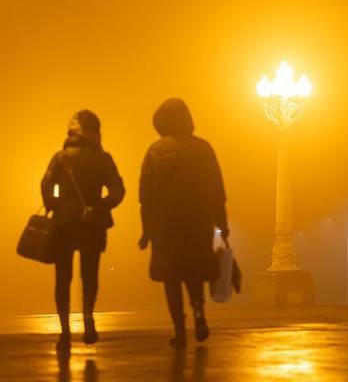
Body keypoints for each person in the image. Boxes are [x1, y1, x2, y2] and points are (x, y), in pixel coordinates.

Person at [138, 98, 229, 348]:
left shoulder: (155, 151)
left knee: (171, 278)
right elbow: (216, 190)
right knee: (195, 272)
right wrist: (222, 224)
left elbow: (145, 194)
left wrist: (146, 230)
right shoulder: (203, 148)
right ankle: (199, 310)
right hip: (198, 221)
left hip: (165, 224)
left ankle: (179, 329)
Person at [41, 109, 125, 350]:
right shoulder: (104, 159)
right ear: (94, 133)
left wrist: (55, 205)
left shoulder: (60, 158)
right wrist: (100, 206)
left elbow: (46, 185)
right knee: (90, 276)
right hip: (93, 224)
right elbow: (118, 191)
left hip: (64, 224)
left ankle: (64, 331)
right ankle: (88, 319)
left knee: (62, 278)